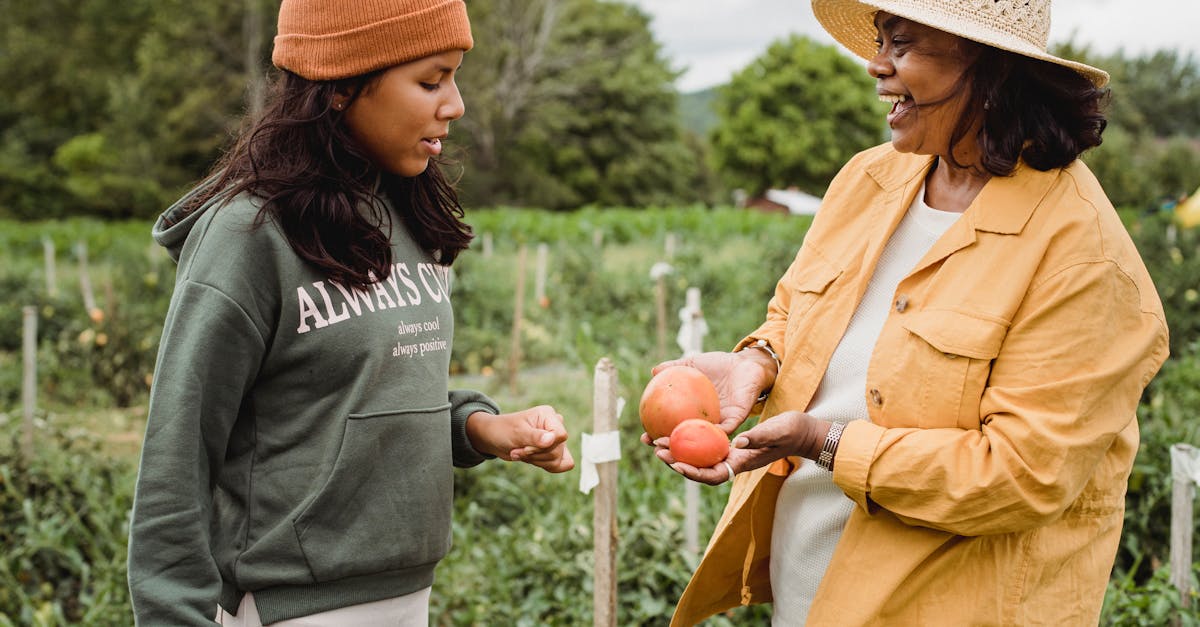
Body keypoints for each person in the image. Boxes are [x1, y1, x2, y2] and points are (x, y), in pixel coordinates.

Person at [647, 0, 1169, 625]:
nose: (876, 65)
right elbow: (796, 311)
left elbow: (1023, 474)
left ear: (992, 69)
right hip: (806, 596)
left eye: (902, 44)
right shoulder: (868, 180)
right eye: (880, 43)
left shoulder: (1085, 258)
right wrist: (759, 363)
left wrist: (824, 441)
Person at [126, 1, 575, 624]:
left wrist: (478, 427)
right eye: (431, 81)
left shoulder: (407, 214)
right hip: (288, 608)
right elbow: (177, 456)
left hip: (408, 598)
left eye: (454, 76)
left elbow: (359, 398)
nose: (455, 104)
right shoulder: (247, 235)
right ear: (340, 87)